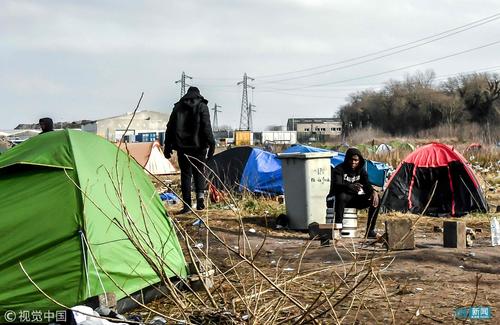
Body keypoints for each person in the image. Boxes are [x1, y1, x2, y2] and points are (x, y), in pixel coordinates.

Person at [164, 87, 215, 214]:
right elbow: (206, 127)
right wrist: (212, 144)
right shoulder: (202, 106)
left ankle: (187, 206)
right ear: (198, 95)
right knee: (199, 173)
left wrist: (167, 145)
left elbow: (170, 127)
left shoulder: (178, 107)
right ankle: (200, 201)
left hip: (182, 148)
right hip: (199, 147)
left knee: (186, 175)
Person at [328, 148, 380, 238]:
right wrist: (349, 186)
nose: (353, 162)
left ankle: (370, 231)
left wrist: (374, 192)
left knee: (376, 198)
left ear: (359, 161)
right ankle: (338, 228)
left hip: (354, 199)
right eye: (351, 159)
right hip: (337, 200)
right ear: (347, 159)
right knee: (342, 196)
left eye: (356, 160)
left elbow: (367, 185)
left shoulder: (361, 171)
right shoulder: (339, 169)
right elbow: (336, 185)